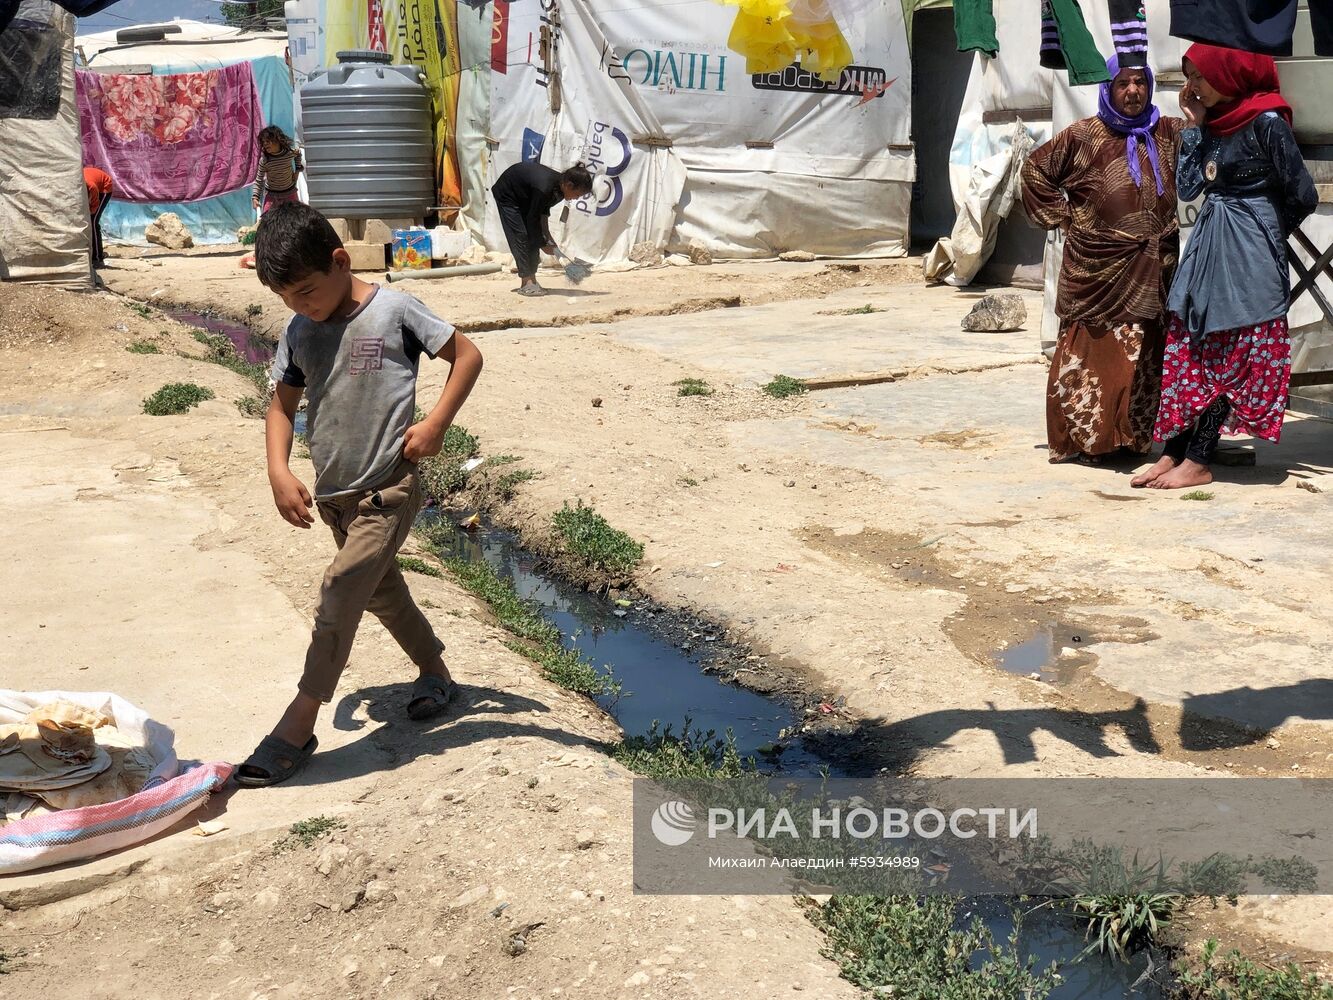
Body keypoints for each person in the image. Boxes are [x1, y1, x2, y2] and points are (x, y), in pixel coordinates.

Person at [237, 202, 484, 787]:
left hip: (388, 488)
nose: (301, 305)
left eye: (307, 289)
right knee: (382, 593)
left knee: (340, 587)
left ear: (341, 261)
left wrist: (437, 423)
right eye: (287, 297)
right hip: (336, 497)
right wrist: (278, 469)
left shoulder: (395, 310)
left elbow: (467, 354)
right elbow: (281, 404)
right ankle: (436, 674)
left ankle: (297, 724)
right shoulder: (299, 331)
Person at [1134, 44, 1317, 489]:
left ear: (1230, 73)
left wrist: (1265, 229)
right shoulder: (1213, 122)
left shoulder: (1267, 122)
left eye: (1199, 76)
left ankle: (1199, 459)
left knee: (1234, 349)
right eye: (1189, 76)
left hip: (1250, 251)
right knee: (1190, 341)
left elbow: (1303, 193)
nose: (1192, 87)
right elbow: (1191, 186)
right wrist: (1195, 127)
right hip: (1211, 242)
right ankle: (1174, 451)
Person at [1022, 56, 1184, 465]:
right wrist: (1064, 218)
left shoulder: (1166, 132)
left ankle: (1131, 439)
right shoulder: (1082, 136)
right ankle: (1088, 441)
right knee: (1094, 353)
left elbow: (1209, 139)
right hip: (1098, 269)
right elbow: (1034, 171)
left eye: (1140, 83)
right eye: (1123, 84)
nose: (1133, 91)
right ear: (1108, 90)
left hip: (1152, 269)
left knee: (1144, 353)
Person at [491, 162, 594, 296]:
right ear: (569, 185)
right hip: (508, 195)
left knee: (534, 237)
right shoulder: (545, 187)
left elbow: (542, 213)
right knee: (521, 236)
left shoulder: (560, 189)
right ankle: (526, 283)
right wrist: (542, 243)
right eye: (577, 194)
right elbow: (533, 219)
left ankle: (532, 280)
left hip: (526, 198)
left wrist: (547, 237)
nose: (576, 198)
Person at [252, 125, 304, 216]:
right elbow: (259, 179)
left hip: (290, 192)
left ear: (278, 140)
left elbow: (298, 154)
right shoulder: (265, 160)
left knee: (295, 217)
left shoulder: (289, 153)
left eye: (268, 141)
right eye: (263, 142)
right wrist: (255, 197)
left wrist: (298, 169)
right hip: (272, 195)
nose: (265, 144)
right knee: (268, 219)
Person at [83, 165, 113, 267]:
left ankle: (97, 258)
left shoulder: (92, 188)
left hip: (104, 187)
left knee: (93, 222)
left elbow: (94, 208)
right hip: (92, 179)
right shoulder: (75, 187)